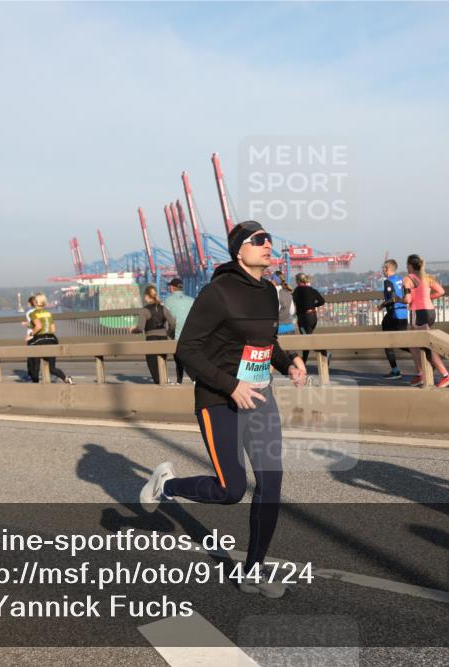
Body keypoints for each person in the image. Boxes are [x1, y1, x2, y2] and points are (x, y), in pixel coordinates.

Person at [140, 220, 308, 599]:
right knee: (231, 489)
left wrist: (289, 363)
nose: (267, 245)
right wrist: (232, 385)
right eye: (258, 240)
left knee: (270, 484)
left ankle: (254, 570)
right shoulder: (218, 292)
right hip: (219, 399)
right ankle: (165, 485)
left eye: (269, 239)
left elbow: (267, 343)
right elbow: (186, 350)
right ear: (239, 250)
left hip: (260, 398)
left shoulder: (268, 291)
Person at [402, 254, 449, 388]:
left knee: (425, 345)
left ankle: (445, 375)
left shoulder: (408, 279)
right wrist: (430, 297)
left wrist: (400, 299)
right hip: (430, 312)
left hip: (418, 312)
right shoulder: (427, 277)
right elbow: (441, 291)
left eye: (407, 265)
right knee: (413, 344)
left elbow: (407, 300)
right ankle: (421, 373)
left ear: (410, 266)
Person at [131, 285, 176, 384]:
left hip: (151, 338)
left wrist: (132, 330)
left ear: (147, 296)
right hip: (163, 338)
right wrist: (168, 333)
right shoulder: (163, 308)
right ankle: (165, 379)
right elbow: (172, 323)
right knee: (162, 360)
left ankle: (159, 382)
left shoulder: (144, 310)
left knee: (152, 362)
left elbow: (140, 328)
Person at [27, 293, 72, 384]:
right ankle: (66, 378)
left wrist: (31, 334)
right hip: (51, 339)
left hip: (39, 340)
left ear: (36, 302)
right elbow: (53, 329)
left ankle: (35, 384)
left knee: (35, 365)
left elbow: (38, 327)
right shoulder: (48, 313)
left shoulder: (33, 313)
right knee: (52, 368)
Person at [377, 259, 409, 379]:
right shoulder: (402, 280)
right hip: (403, 313)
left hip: (393, 314)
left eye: (383, 269)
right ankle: (425, 357)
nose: (382, 271)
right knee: (403, 342)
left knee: (387, 341)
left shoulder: (388, 282)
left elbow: (391, 299)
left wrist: (381, 305)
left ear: (386, 269)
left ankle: (395, 371)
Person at [162, 278, 194, 384]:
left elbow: (166, 319)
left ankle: (179, 380)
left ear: (172, 287)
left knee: (178, 359)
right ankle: (195, 379)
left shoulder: (168, 301)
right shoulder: (191, 300)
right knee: (190, 358)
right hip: (191, 335)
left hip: (176, 335)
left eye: (170, 286)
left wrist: (167, 332)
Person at [292, 273, 325, 363]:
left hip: (303, 318)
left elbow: (293, 301)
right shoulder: (312, 290)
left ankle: (322, 352)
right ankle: (306, 360)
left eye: (296, 281)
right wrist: (312, 306)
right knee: (307, 337)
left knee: (306, 339)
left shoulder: (297, 291)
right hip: (313, 317)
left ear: (299, 281)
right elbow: (322, 301)